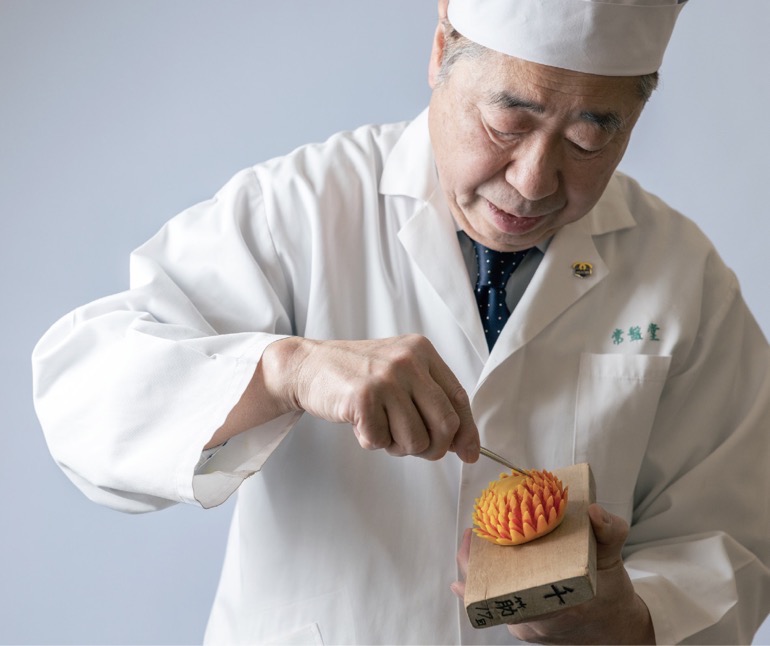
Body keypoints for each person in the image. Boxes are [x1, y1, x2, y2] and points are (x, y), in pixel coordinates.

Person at [32, 0, 770, 643]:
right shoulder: (300, 210)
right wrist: (289, 370)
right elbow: (82, 394)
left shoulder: (682, 274)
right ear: (442, 50)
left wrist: (626, 623)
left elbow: (735, 537)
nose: (532, 180)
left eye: (588, 139)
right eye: (507, 121)